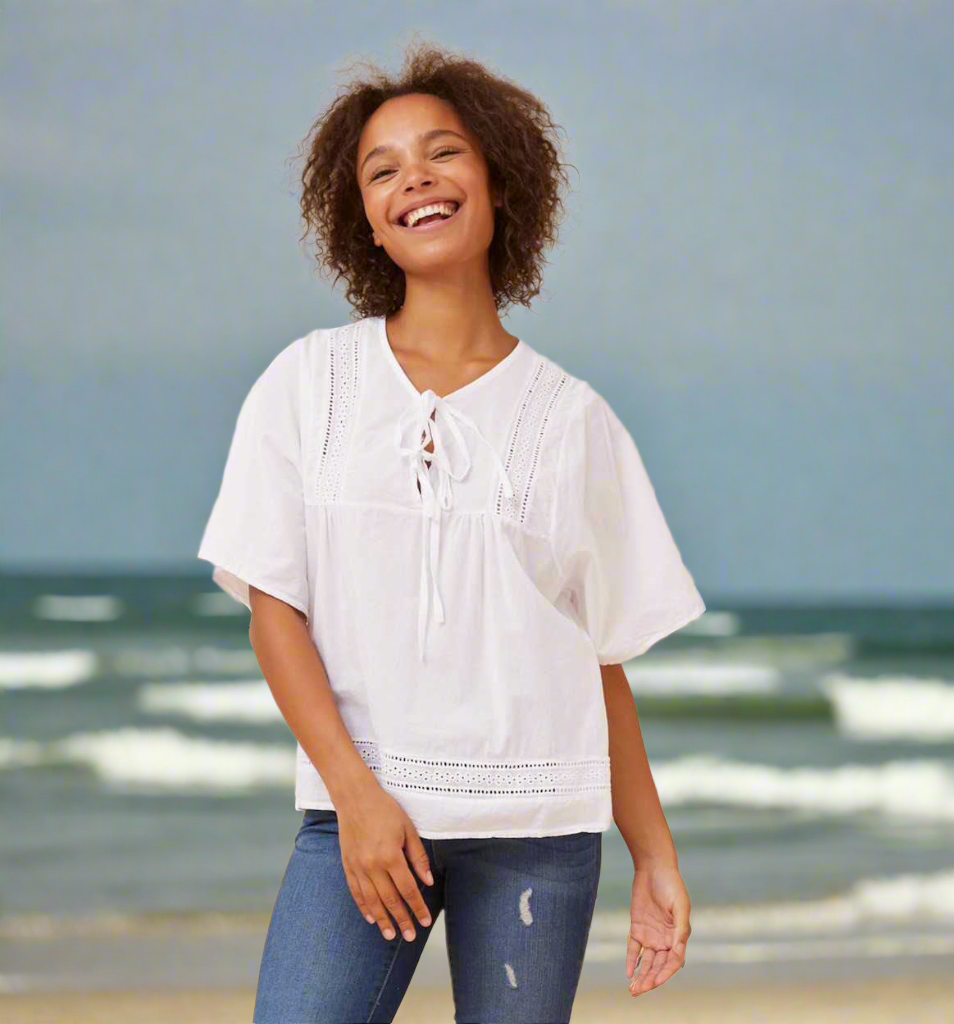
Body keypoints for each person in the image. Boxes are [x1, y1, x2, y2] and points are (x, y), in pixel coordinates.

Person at [197, 37, 705, 1024]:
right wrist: (355, 796)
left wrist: (655, 856)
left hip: (538, 836)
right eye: (382, 171)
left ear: (498, 182)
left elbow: (596, 661)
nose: (415, 180)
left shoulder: (573, 419)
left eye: (442, 153)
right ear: (365, 222)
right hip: (365, 818)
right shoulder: (307, 383)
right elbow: (274, 610)